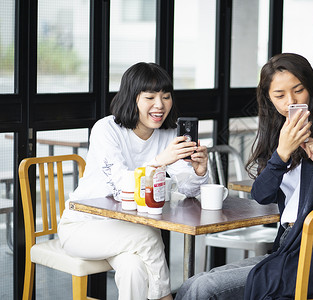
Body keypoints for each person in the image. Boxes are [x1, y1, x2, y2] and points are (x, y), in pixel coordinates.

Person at [175, 53, 313, 300]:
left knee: (204, 289)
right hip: (285, 246)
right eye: (279, 95)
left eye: (298, 90)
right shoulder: (277, 137)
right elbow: (262, 194)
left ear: (310, 88)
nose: (291, 101)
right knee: (194, 283)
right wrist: (282, 152)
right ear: (269, 99)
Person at [57, 62, 209, 300]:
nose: (160, 105)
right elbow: (120, 188)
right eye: (150, 97)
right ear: (132, 98)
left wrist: (199, 171)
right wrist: (160, 161)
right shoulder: (106, 129)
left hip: (127, 231)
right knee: (148, 236)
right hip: (82, 226)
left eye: (166, 97)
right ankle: (164, 297)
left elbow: (189, 190)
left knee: (133, 269)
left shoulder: (169, 134)